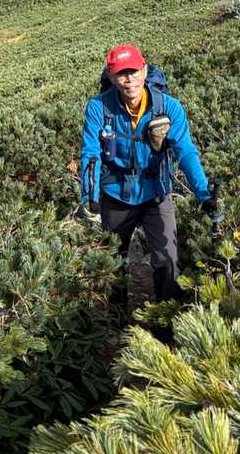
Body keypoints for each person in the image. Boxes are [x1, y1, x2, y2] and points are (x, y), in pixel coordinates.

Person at [78, 44, 220, 306]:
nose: (129, 79)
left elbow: (186, 152)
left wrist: (203, 193)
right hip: (115, 194)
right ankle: (116, 318)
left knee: (167, 260)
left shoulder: (168, 107)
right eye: (121, 73)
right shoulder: (98, 107)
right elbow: (91, 154)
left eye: (133, 71)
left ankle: (166, 320)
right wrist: (91, 198)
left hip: (156, 193)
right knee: (112, 262)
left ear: (144, 70)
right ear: (111, 77)